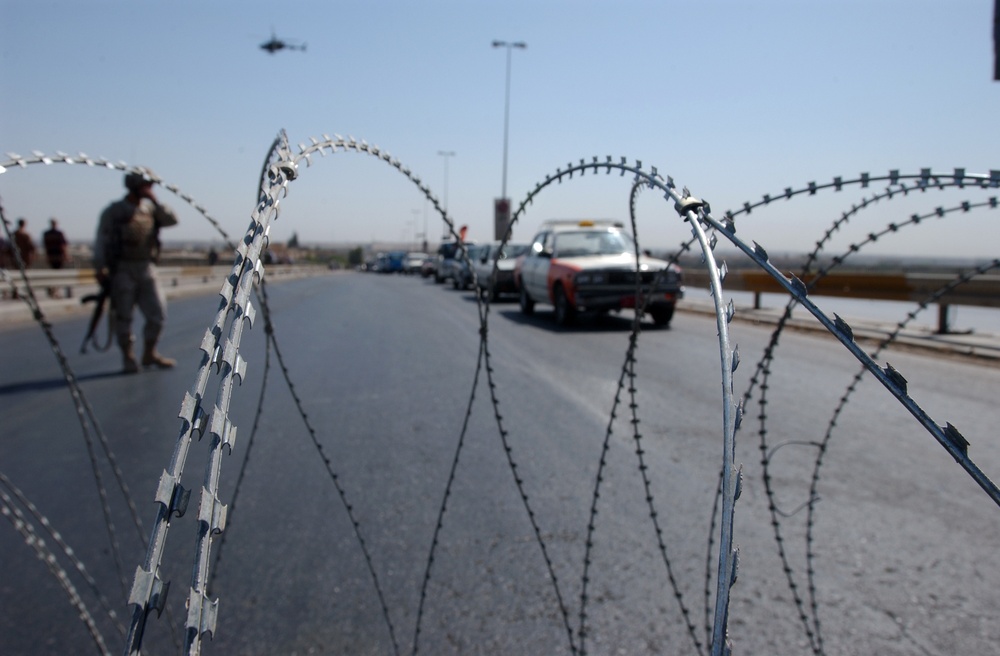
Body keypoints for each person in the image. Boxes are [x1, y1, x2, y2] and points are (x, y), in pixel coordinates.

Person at [94, 169, 179, 374]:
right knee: (123, 315)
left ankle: (150, 352)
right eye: (146, 186)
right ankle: (128, 356)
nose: (150, 190)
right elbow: (101, 240)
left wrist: (156, 201)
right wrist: (99, 268)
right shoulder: (115, 211)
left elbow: (171, 220)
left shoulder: (150, 210)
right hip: (123, 269)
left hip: (146, 267)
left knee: (158, 313)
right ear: (134, 186)